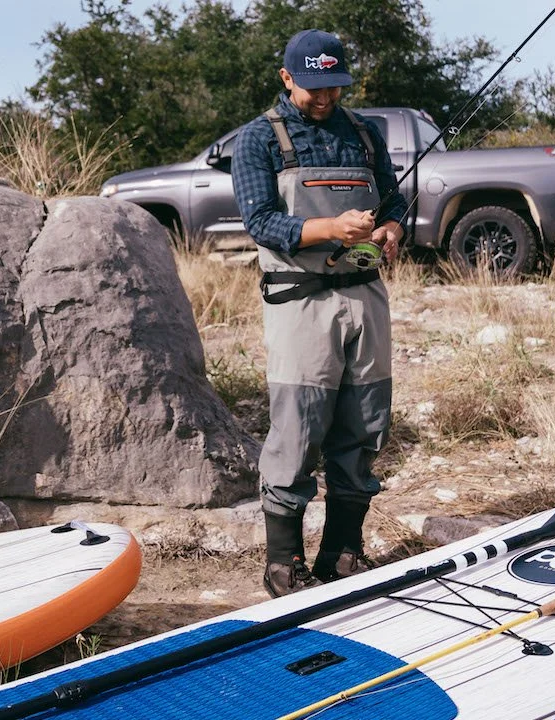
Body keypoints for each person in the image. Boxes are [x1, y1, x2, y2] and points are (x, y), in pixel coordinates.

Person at [231, 29, 407, 596]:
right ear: (287, 78)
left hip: (366, 295)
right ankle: (283, 564)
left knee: (366, 423)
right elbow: (261, 221)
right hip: (298, 299)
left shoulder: (365, 132)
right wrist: (329, 228)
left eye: (334, 86)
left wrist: (391, 226)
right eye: (313, 87)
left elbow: (395, 199)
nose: (326, 97)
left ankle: (342, 553)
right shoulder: (259, 139)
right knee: (299, 427)